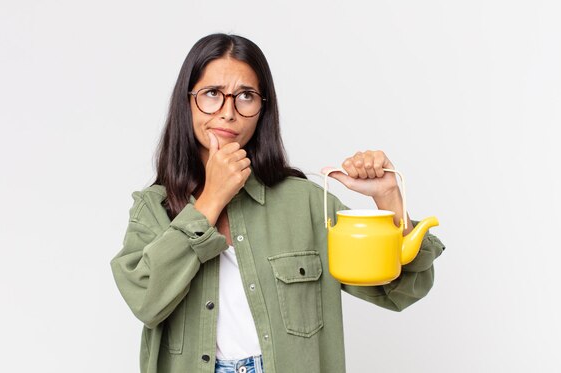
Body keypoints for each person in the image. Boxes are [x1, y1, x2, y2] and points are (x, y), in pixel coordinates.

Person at [110, 33, 445, 373]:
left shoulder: (307, 204)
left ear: (262, 108)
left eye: (245, 96)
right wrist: (211, 200)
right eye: (212, 94)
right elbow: (145, 301)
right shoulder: (153, 209)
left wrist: (388, 197)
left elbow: (401, 290)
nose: (228, 112)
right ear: (187, 101)